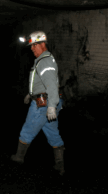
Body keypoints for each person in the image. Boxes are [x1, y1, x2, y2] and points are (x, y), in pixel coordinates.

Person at [11, 31, 65, 176]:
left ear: (42, 44)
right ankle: (60, 165)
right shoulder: (44, 59)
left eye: (34, 45)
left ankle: (18, 158)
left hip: (43, 105)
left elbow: (51, 85)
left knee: (27, 130)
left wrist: (51, 106)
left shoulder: (45, 61)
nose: (32, 48)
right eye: (31, 46)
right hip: (48, 101)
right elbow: (42, 82)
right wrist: (31, 93)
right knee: (53, 133)